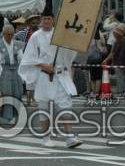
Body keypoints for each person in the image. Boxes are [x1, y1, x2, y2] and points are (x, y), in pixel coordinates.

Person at [18, 12, 82, 148]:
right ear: (41, 20)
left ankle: (70, 137)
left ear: (53, 20)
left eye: (49, 18)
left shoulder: (60, 35)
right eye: (44, 18)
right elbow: (29, 57)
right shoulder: (35, 36)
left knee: (65, 104)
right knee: (44, 106)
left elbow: (69, 52)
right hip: (44, 75)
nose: (47, 21)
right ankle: (46, 136)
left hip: (60, 74)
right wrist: (44, 66)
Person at [0, 24, 24, 124]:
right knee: (6, 94)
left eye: (12, 34)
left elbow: (22, 60)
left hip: (16, 71)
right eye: (7, 34)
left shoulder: (17, 45)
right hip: (4, 71)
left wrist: (24, 73)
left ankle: (15, 115)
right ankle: (7, 116)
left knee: (18, 93)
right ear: (3, 34)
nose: (10, 36)